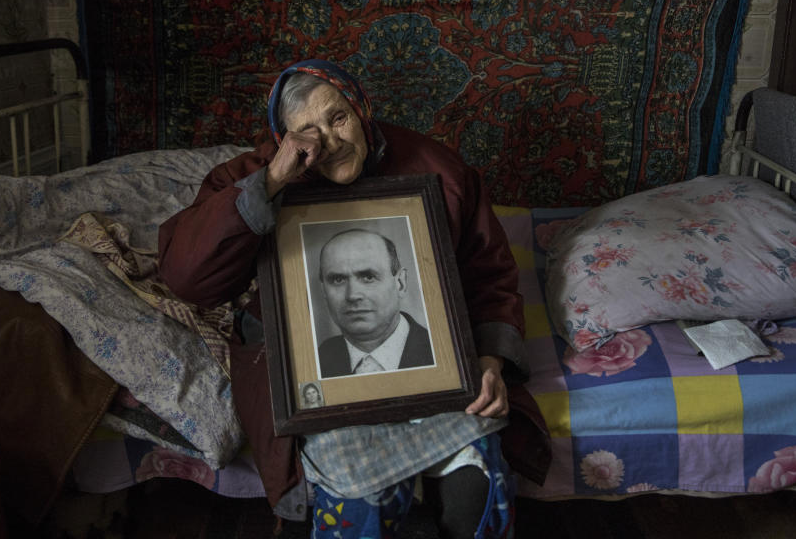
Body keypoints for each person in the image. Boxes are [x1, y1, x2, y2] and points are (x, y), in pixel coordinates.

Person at [158, 59, 549, 539]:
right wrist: (272, 182)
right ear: (283, 139)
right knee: (357, 503)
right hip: (309, 374)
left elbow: (489, 273)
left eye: (337, 118)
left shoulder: (436, 166)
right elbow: (187, 280)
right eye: (306, 131)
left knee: (478, 484)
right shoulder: (255, 174)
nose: (329, 142)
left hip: (436, 365)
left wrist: (489, 359)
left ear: (361, 110)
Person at [316, 228, 434, 378]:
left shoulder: (442, 353)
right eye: (338, 280)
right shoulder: (316, 361)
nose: (352, 295)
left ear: (400, 284)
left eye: (368, 277)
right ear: (324, 291)